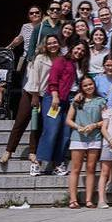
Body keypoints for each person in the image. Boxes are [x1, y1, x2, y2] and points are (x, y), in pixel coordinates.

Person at [0, 35, 61, 173]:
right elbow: (34, 77)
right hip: (31, 94)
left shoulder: (59, 59)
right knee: (21, 121)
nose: (52, 45)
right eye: (50, 43)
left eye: (55, 42)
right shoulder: (40, 58)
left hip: (46, 96)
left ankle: (33, 151)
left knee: (37, 125)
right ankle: (9, 150)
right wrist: (34, 96)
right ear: (46, 45)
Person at [35, 41, 89, 176]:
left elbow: (80, 83)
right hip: (55, 98)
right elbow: (53, 79)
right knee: (51, 130)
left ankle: (58, 163)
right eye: (78, 48)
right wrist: (54, 96)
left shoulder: (81, 65)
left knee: (65, 133)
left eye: (83, 51)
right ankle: (37, 162)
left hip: (71, 101)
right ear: (72, 47)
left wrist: (81, 93)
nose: (79, 52)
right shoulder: (61, 60)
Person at [65, 75, 105, 209]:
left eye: (90, 84)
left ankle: (89, 200)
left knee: (91, 168)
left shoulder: (101, 101)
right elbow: (68, 120)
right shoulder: (76, 101)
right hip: (78, 137)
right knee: (75, 168)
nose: (89, 87)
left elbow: (106, 119)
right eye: (85, 85)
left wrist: (95, 125)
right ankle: (73, 199)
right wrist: (78, 127)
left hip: (94, 137)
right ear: (81, 87)